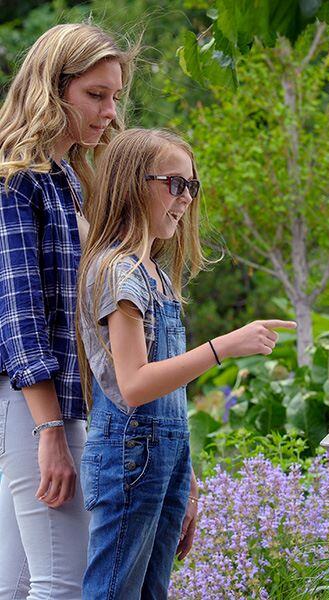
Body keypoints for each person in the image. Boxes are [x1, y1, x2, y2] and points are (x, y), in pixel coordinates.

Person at [77, 127, 296, 598]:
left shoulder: (154, 274)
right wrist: (223, 347)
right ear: (133, 184)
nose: (185, 199)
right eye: (174, 184)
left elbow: (168, 395)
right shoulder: (118, 272)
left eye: (191, 187)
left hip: (162, 459)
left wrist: (186, 478)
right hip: (128, 455)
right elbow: (134, 385)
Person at [0, 23, 135, 598]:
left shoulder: (69, 182)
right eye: (95, 95)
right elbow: (18, 309)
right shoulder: (18, 179)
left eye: (114, 97)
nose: (109, 111)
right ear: (52, 89)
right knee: (64, 584)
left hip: (47, 402)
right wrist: (50, 427)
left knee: (21, 582)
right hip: (32, 402)